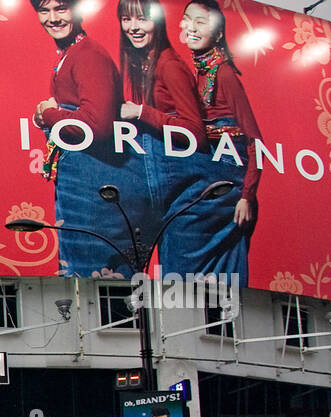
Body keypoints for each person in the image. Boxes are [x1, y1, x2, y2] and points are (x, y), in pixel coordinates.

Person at [163, 0, 261, 281]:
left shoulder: (225, 74)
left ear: (218, 35)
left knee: (178, 230)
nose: (191, 28)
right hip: (208, 170)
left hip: (227, 179)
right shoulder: (199, 70)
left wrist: (246, 197)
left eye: (201, 23)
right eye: (187, 20)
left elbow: (255, 141)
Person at [31, 0, 129, 277]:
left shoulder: (88, 54)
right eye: (44, 10)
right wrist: (46, 114)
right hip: (80, 177)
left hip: (92, 179)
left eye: (61, 8)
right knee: (77, 267)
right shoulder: (70, 53)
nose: (52, 18)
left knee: (88, 272)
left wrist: (50, 114)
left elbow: (96, 126)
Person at [115, 0, 206, 275]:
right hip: (164, 174)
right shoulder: (142, 62)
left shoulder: (169, 66)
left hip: (185, 181)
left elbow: (195, 134)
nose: (134, 27)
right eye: (127, 19)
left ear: (158, 22)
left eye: (142, 19)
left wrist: (141, 112)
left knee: (178, 276)